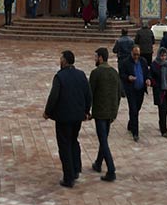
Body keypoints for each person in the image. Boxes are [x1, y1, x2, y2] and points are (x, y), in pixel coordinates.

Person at [43, 50, 91, 188]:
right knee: (73, 140)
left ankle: (68, 177)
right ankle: (76, 169)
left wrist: (47, 112)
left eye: (61, 59)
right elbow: (88, 94)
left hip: (63, 117)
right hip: (77, 116)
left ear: (65, 61)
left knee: (64, 145)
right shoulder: (81, 75)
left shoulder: (60, 77)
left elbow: (54, 96)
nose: (60, 61)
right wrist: (86, 111)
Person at [88, 47, 123, 182]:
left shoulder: (96, 73)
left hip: (100, 112)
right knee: (104, 138)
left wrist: (87, 111)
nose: (95, 59)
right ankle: (98, 163)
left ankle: (111, 169)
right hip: (110, 112)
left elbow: (90, 94)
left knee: (103, 141)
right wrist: (115, 110)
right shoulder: (114, 73)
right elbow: (118, 94)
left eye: (96, 57)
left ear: (101, 58)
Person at [119, 45, 151, 141]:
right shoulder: (126, 63)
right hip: (131, 90)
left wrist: (148, 79)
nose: (136, 56)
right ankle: (135, 133)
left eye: (138, 54)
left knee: (137, 108)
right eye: (135, 54)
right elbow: (121, 74)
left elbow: (147, 73)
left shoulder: (143, 61)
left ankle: (131, 123)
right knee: (133, 109)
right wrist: (128, 77)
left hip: (141, 90)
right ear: (131, 53)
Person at [150, 46, 167, 137]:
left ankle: (162, 122)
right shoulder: (155, 64)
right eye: (162, 56)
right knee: (162, 109)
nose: (163, 58)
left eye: (165, 56)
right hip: (160, 90)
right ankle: (164, 130)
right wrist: (153, 83)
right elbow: (150, 75)